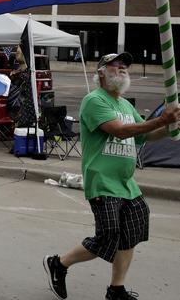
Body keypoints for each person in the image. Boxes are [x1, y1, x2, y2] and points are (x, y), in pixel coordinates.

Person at [44, 52, 180, 300]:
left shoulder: (125, 105)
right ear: (101, 73)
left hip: (127, 184)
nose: (122, 69)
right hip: (103, 181)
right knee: (107, 237)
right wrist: (160, 118)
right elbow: (120, 131)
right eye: (115, 66)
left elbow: (143, 137)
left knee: (131, 234)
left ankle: (116, 289)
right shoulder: (94, 101)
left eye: (125, 66)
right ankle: (59, 263)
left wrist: (169, 128)